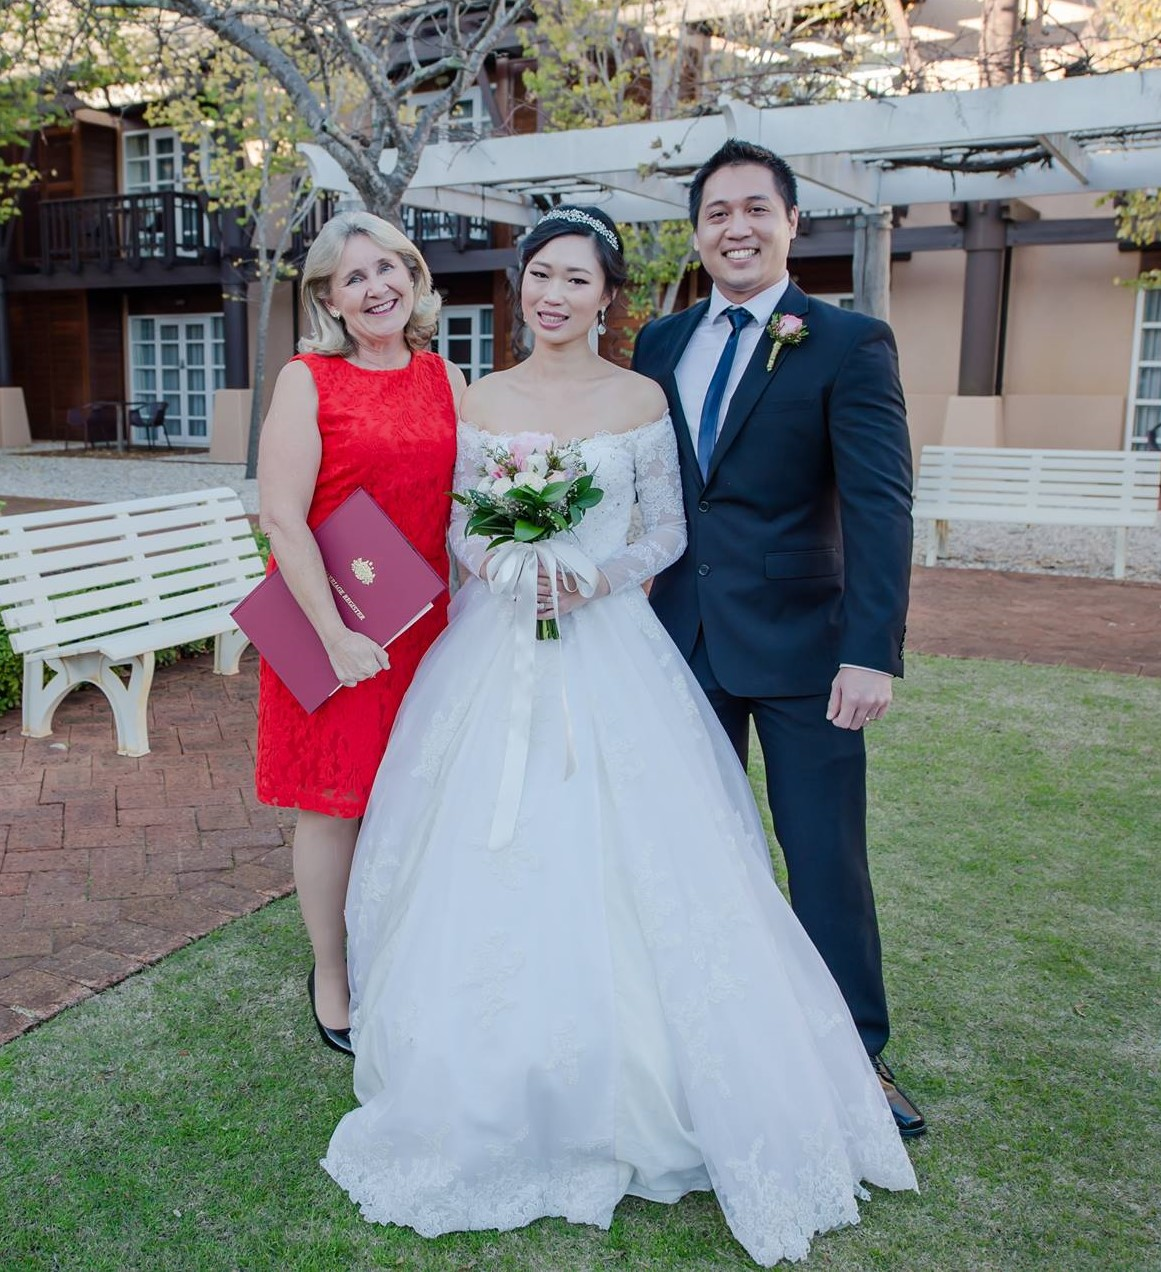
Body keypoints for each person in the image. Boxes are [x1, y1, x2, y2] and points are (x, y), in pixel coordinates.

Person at [321, 205, 917, 1266]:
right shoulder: (479, 395)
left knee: (647, 849)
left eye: (577, 280)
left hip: (612, 645)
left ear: (608, 297)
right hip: (494, 643)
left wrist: (592, 575)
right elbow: (457, 516)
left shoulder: (642, 395)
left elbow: (666, 527)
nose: (554, 295)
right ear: (520, 286)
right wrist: (505, 560)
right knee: (488, 842)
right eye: (540, 275)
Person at [632, 139, 923, 1136]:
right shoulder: (659, 345)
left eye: (756, 208)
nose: (737, 228)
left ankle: (857, 1060)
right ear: (697, 232)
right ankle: (707, 1043)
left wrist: (871, 649)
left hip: (809, 651)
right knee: (693, 852)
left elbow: (880, 506)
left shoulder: (848, 342)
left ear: (792, 222)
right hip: (682, 643)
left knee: (823, 858)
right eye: (717, 212)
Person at [255, 211, 465, 1055]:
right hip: (331, 623)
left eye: (387, 268)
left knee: (416, 797)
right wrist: (336, 635)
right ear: (330, 299)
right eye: (354, 277)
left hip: (427, 627)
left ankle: (401, 949)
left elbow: (465, 505)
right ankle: (332, 971)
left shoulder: (446, 376)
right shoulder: (307, 380)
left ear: (412, 276)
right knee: (333, 805)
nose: (376, 288)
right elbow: (282, 515)